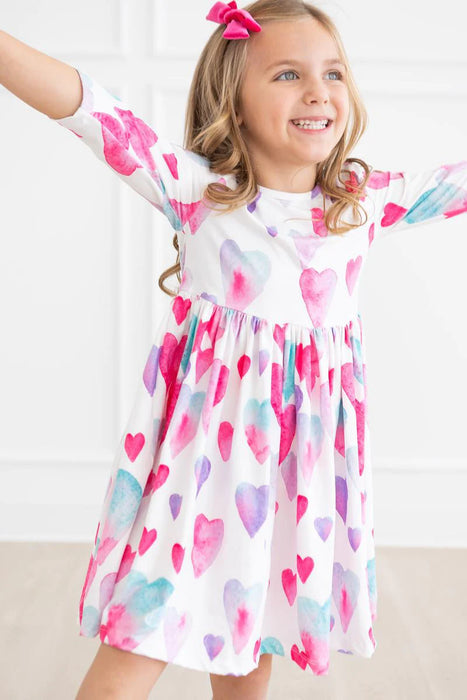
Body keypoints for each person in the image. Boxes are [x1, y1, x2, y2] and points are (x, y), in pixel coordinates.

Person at [2, 1, 467, 698]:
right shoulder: (200, 193)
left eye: (332, 73)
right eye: (287, 74)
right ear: (235, 105)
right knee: (137, 640)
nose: (318, 92)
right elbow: (88, 109)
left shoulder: (359, 206)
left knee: (250, 642)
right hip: (195, 474)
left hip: (292, 481)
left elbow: (454, 185)